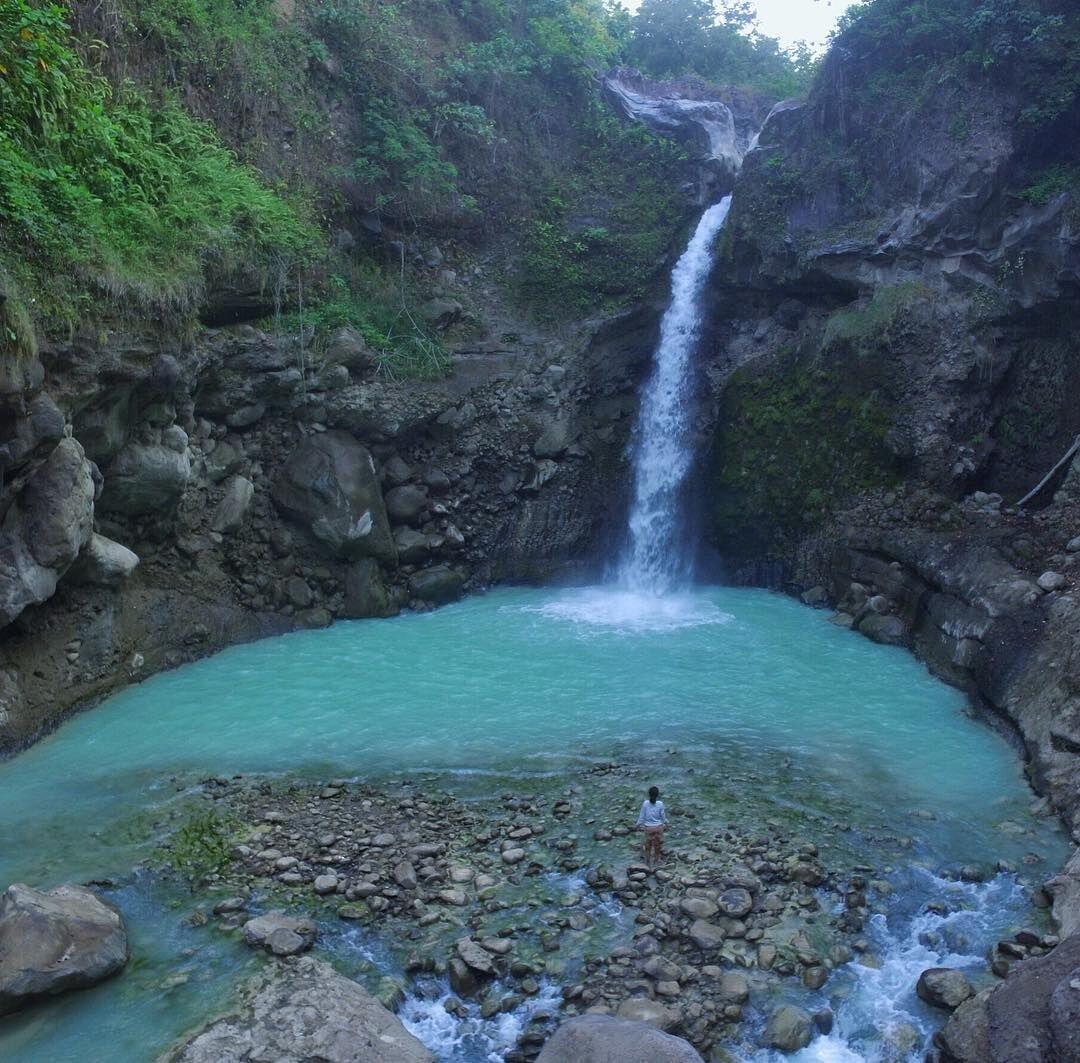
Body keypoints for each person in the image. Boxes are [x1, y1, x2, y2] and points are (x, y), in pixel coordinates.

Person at [635, 785, 667, 867]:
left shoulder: (645, 803)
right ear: (657, 795)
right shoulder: (660, 804)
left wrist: (637, 825)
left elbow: (642, 816)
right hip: (658, 828)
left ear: (649, 794)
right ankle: (657, 861)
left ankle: (648, 863)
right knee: (657, 846)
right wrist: (666, 823)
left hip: (649, 828)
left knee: (648, 846)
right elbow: (663, 816)